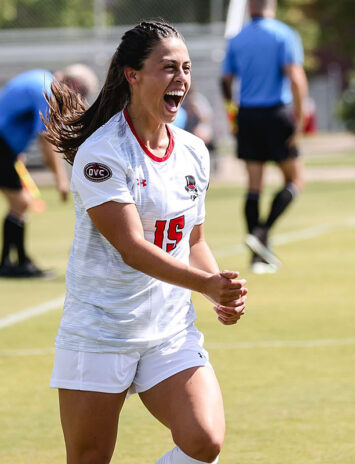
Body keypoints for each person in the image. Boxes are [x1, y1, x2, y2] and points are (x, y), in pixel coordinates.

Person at [43, 20, 248, 464]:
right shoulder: (103, 154)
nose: (182, 78)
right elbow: (132, 249)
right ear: (132, 75)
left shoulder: (194, 150)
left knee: (204, 439)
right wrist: (205, 285)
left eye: (186, 68)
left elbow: (193, 240)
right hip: (101, 331)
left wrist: (219, 287)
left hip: (169, 331)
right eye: (168, 67)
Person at [220, 0, 308, 274]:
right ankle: (263, 231)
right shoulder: (284, 34)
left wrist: (232, 114)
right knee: (295, 180)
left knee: (254, 185)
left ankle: (258, 258)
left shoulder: (238, 39)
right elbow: (295, 77)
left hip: (247, 115)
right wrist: (301, 117)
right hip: (276, 114)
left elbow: (225, 81)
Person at [0, 64, 98, 277]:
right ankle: (11, 264)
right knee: (21, 202)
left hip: (6, 147)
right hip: (2, 146)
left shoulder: (41, 79)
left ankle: (13, 261)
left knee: (21, 203)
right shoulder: (48, 89)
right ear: (74, 85)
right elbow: (46, 140)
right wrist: (61, 179)